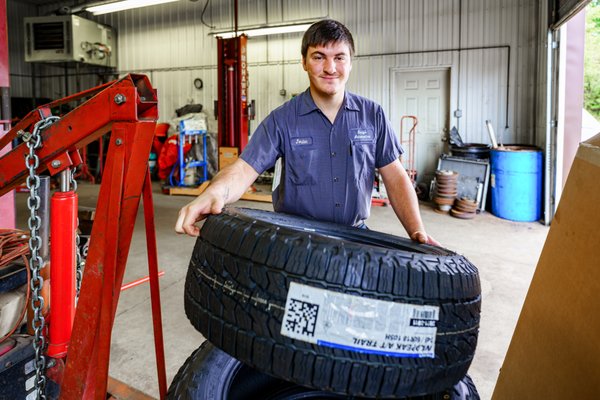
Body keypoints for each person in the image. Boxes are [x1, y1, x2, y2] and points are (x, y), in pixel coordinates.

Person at [175, 19, 439, 246]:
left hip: (354, 237)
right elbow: (245, 168)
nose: (330, 68)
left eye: (339, 57)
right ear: (304, 62)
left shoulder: (373, 115)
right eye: (319, 57)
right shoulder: (282, 120)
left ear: (350, 62)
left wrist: (417, 231)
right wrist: (215, 193)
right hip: (296, 242)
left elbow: (395, 177)